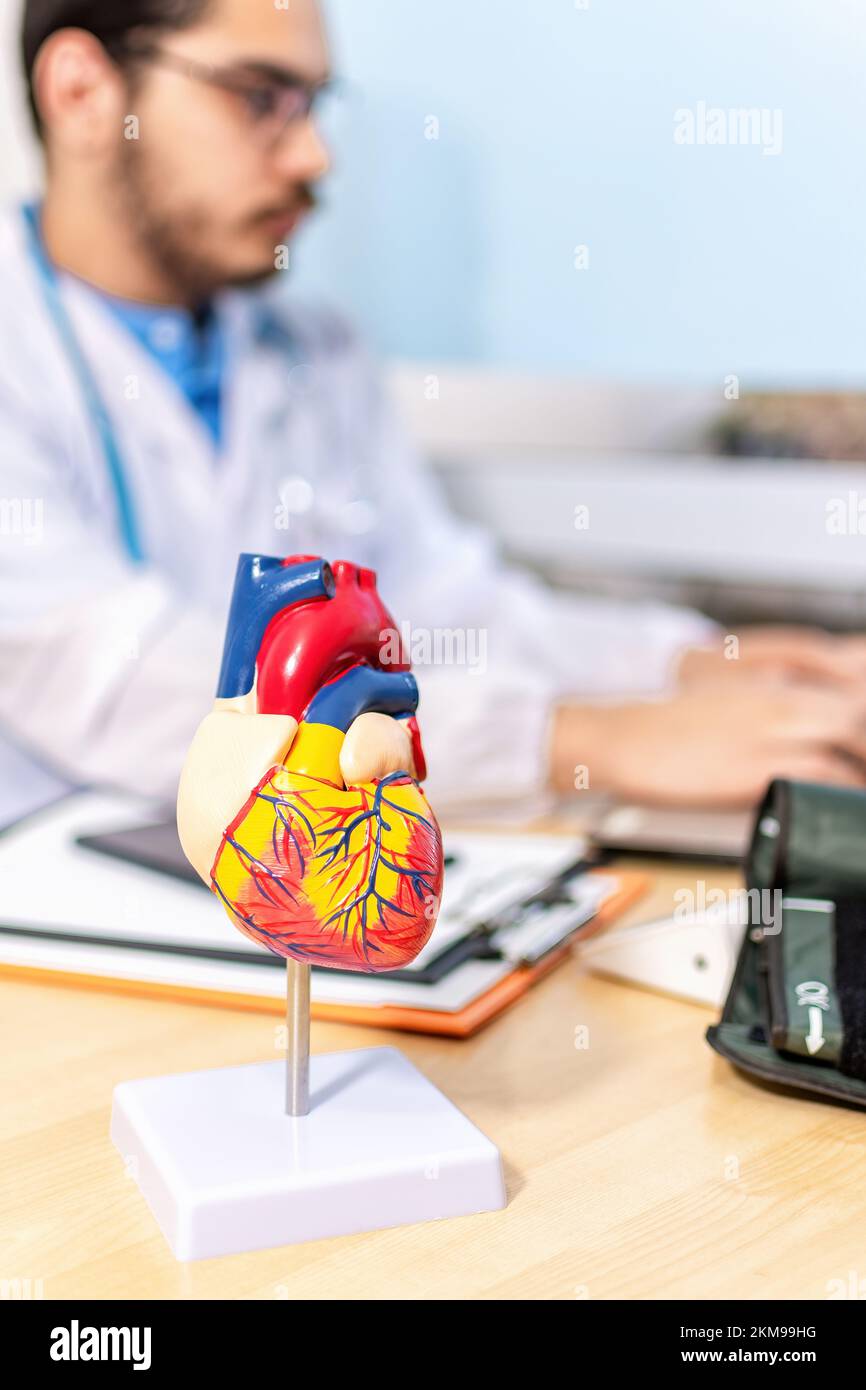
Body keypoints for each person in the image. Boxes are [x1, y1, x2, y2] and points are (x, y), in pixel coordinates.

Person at [2, 0, 866, 827]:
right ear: (82, 94)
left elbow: (447, 609)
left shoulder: (313, 352)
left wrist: (683, 666)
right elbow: (118, 682)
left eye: (313, 105)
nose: (314, 156)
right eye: (260, 98)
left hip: (297, 884)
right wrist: (586, 740)